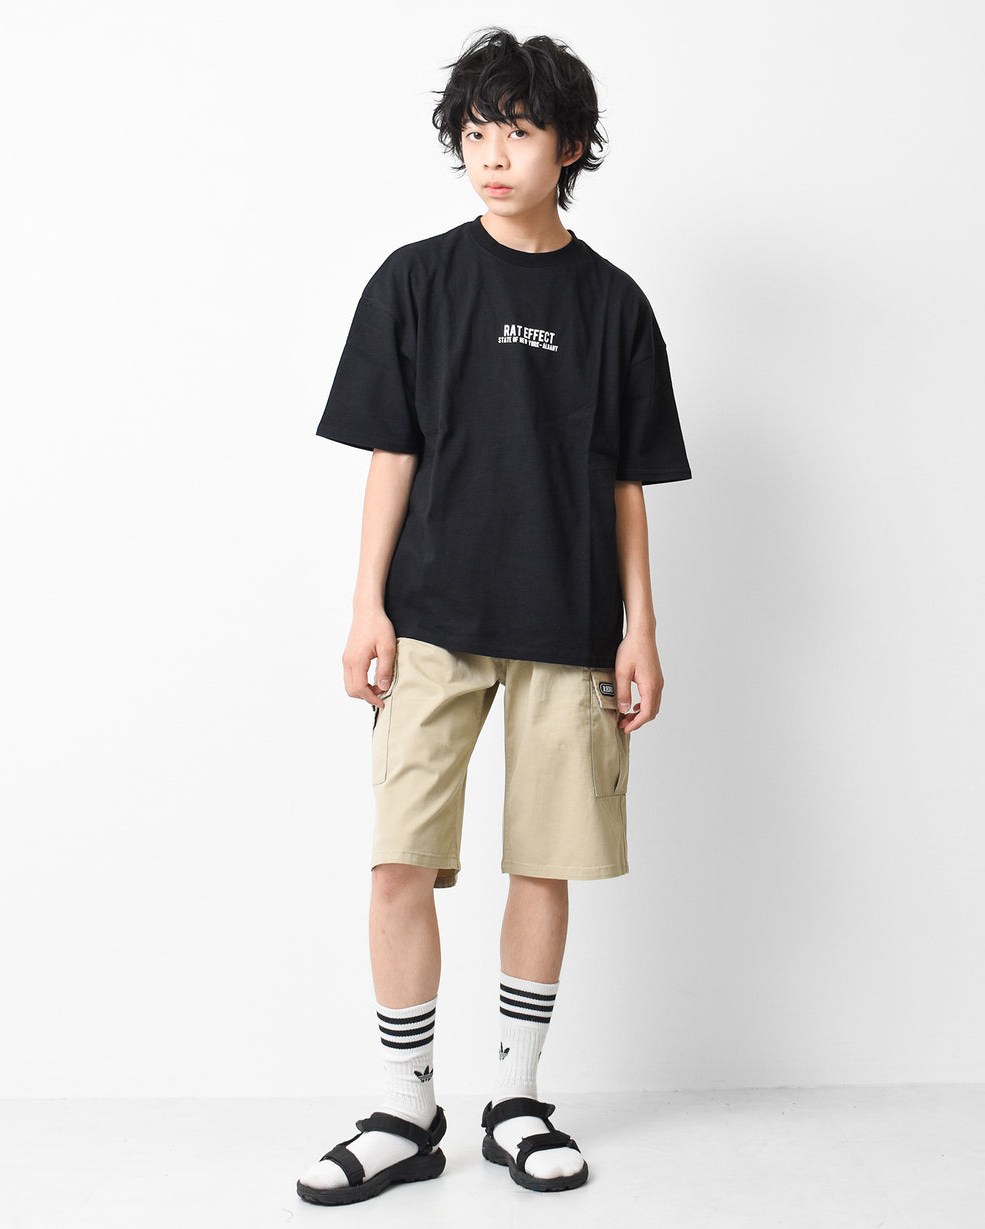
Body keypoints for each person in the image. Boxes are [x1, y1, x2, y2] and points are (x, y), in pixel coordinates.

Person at [296, 26, 692, 1206]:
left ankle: (516, 1097)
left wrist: (640, 627)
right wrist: (365, 604)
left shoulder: (614, 305)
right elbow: (391, 454)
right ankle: (403, 1106)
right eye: (475, 132)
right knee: (397, 859)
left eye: (517, 130)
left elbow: (626, 483)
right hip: (430, 618)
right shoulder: (416, 281)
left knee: (544, 862)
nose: (492, 155)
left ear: (569, 145)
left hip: (570, 627)